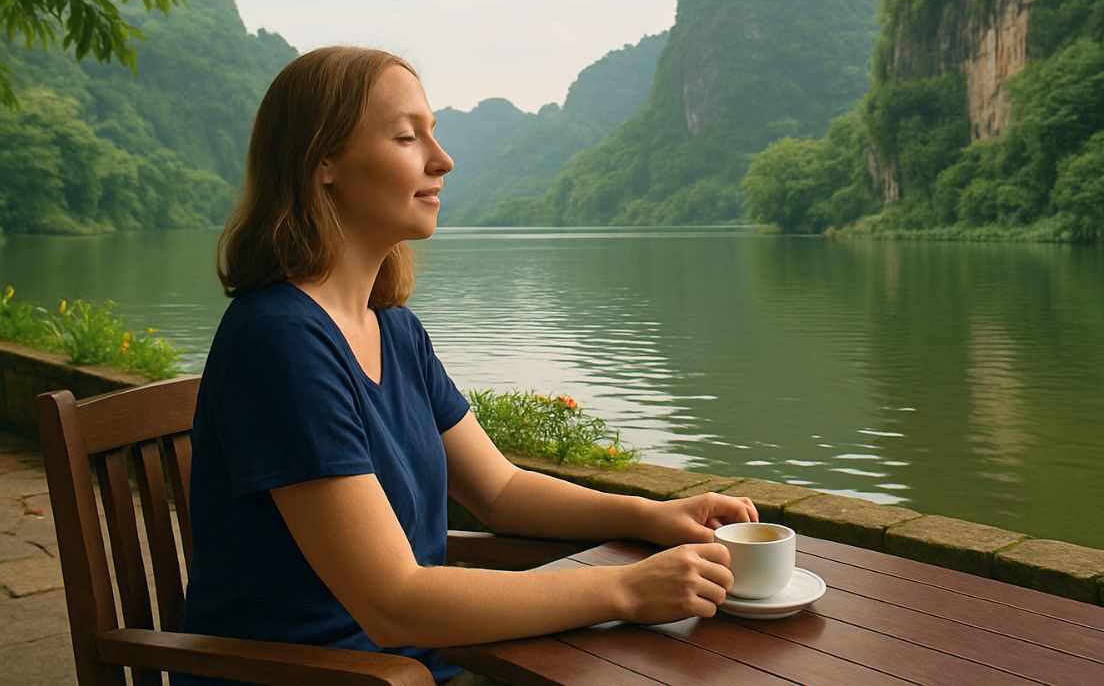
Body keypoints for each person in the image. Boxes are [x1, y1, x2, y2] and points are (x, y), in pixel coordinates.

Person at [177, 46, 759, 684]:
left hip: (420, 666)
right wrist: (625, 589)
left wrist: (649, 515)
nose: (442, 159)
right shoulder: (279, 342)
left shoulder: (394, 331)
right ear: (323, 162)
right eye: (407, 137)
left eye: (433, 132)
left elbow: (500, 492)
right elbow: (394, 603)